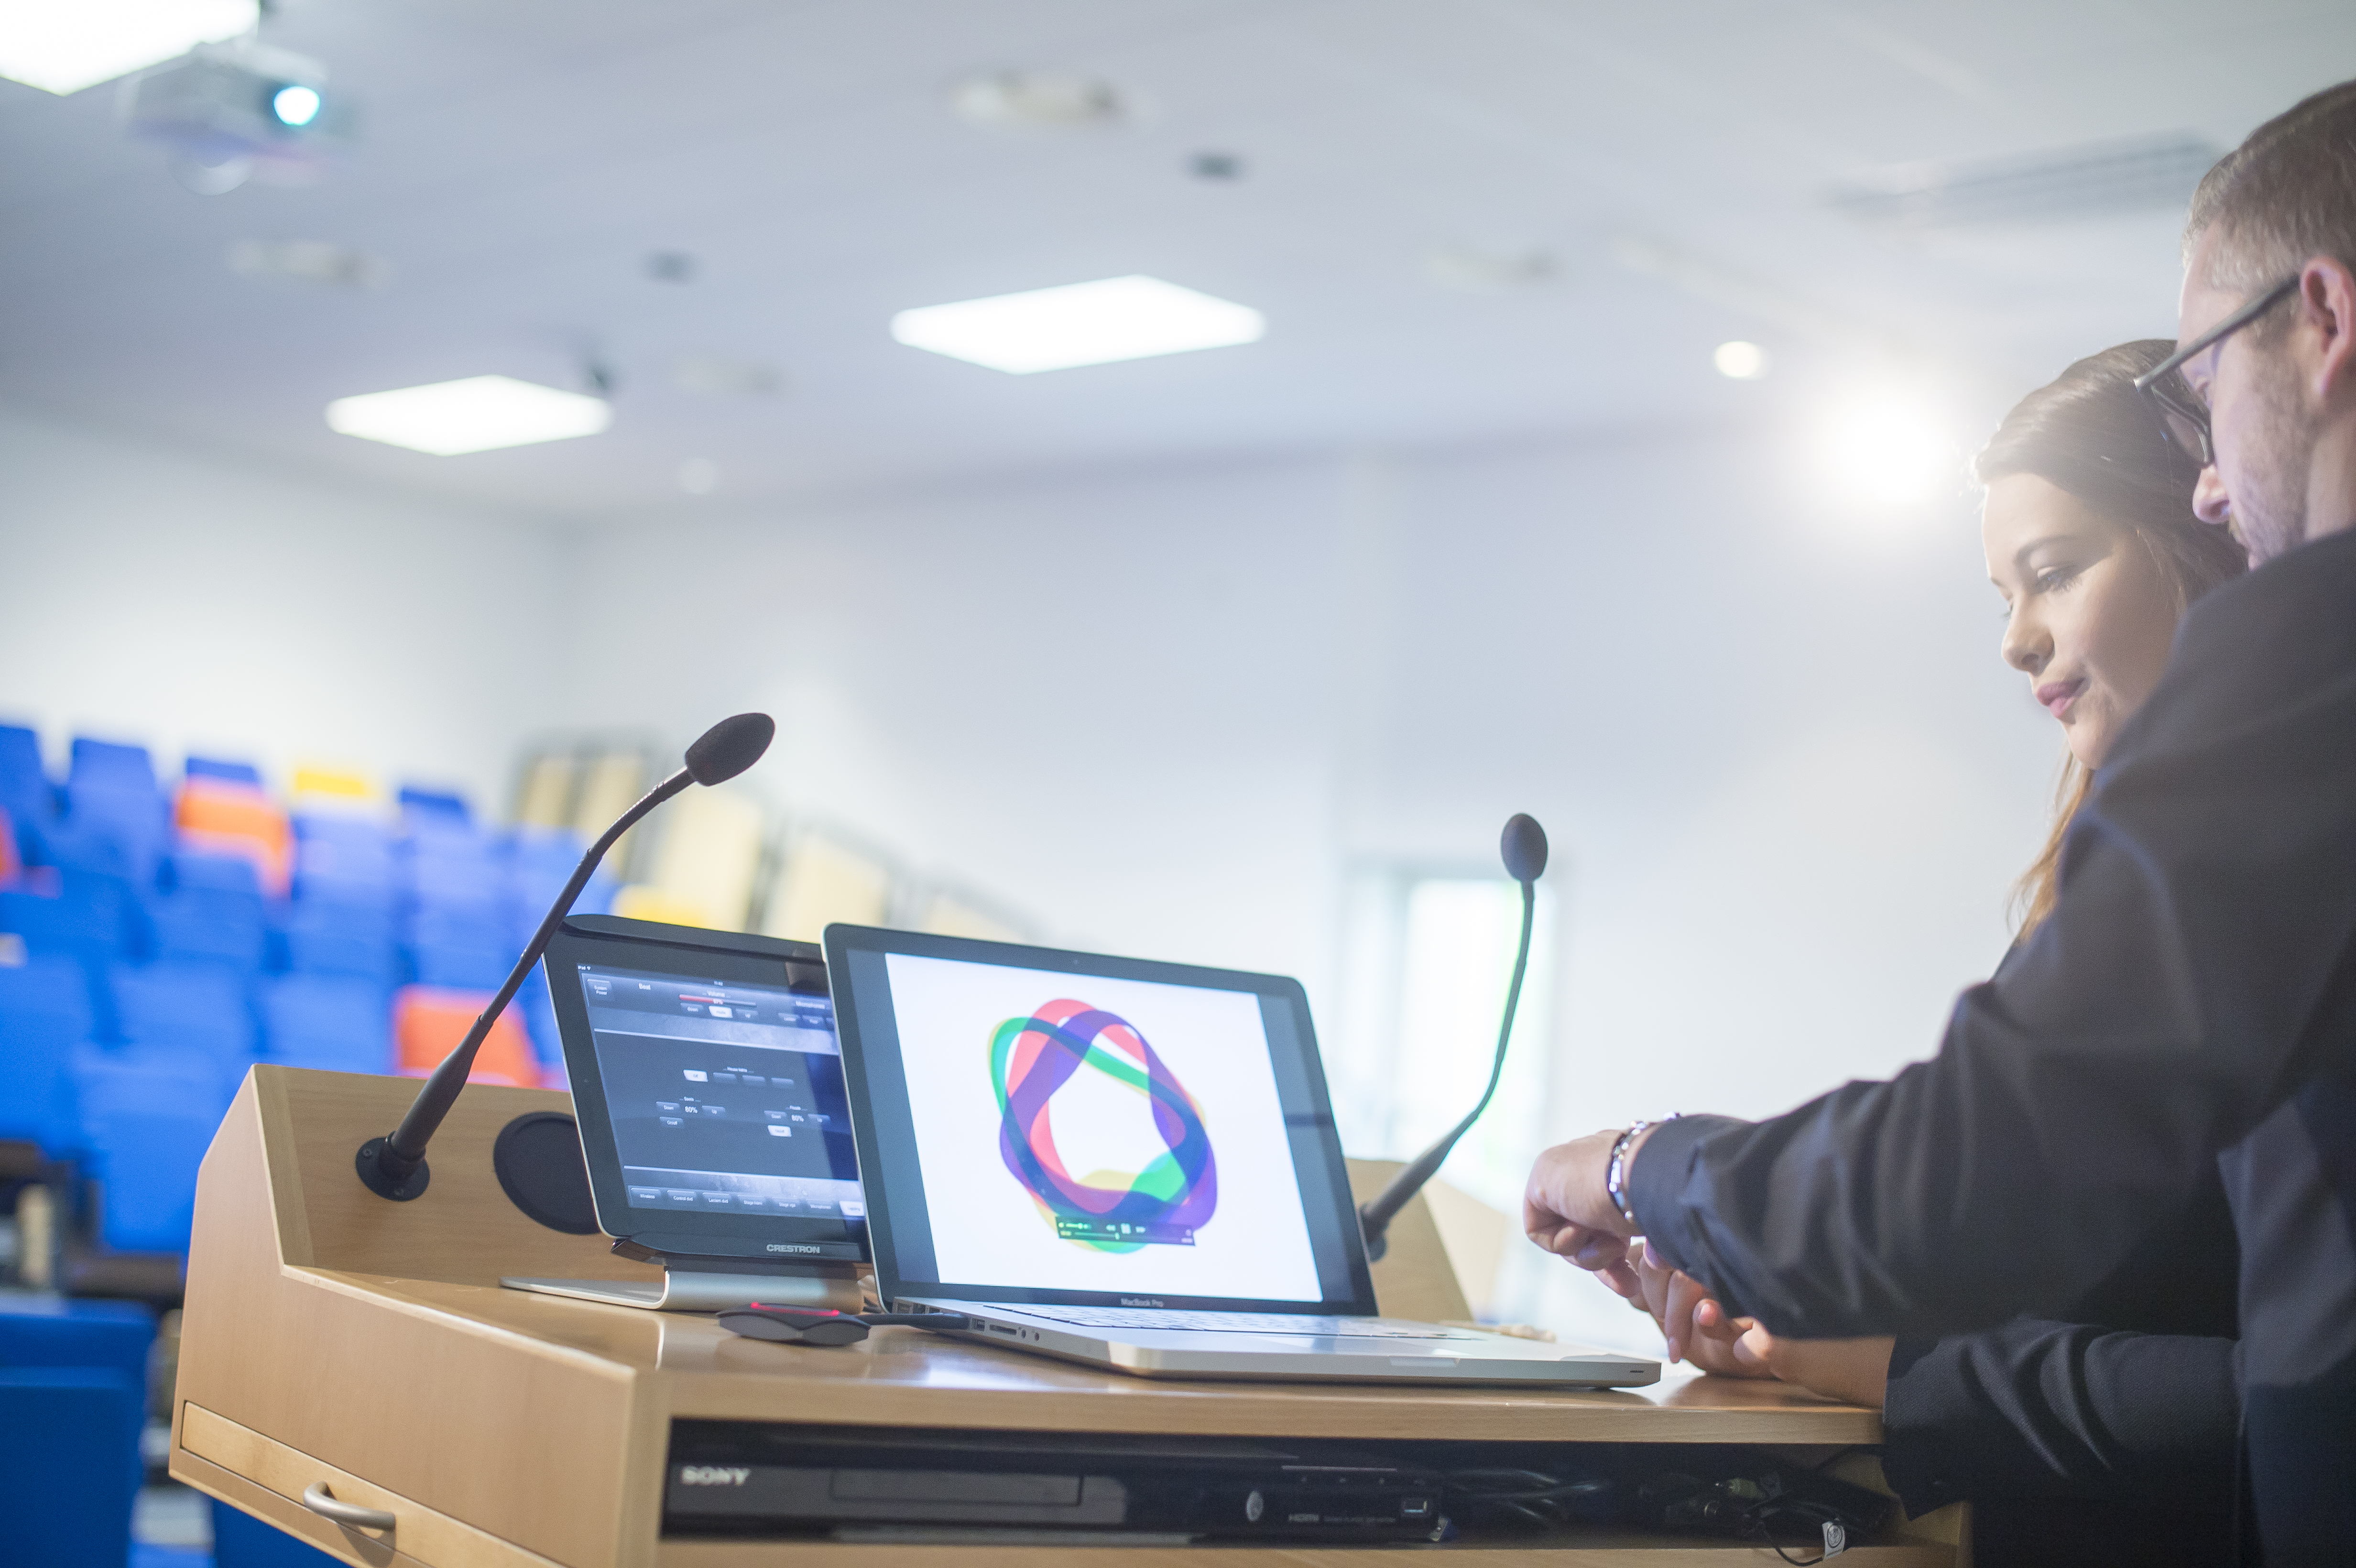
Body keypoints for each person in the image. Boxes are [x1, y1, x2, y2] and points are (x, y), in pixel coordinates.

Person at [1523, 79, 2356, 1565]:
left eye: (2203, 391)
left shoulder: (2315, 656)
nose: (2217, 475)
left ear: (2325, 318)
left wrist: (1659, 1166)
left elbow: (1976, 1175)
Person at [1604, 340, 2247, 1566]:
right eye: (2000, 594)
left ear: (2208, 533)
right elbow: (2057, 1242)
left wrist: (1658, 1170)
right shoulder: (2100, 875)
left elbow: (2276, 1392)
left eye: (2052, 573)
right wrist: (1802, 1303)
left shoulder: (2264, 883)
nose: (2014, 640)